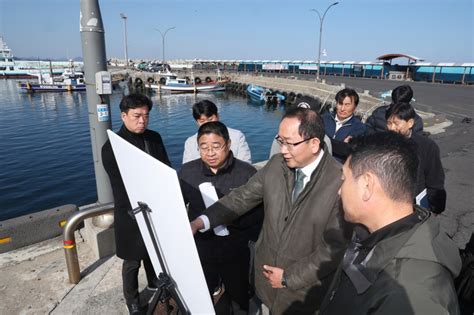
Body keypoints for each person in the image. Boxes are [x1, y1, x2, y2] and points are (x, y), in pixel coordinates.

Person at [191, 107, 351, 314]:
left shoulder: (340, 182)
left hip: (303, 294)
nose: (282, 149)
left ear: (314, 144)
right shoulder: (277, 165)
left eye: (290, 143)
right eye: (280, 140)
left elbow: (334, 249)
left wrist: (288, 278)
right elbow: (243, 196)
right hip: (267, 282)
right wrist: (201, 221)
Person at [320, 132, 461, 314]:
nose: (339, 191)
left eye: (344, 180)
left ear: (367, 185)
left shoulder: (411, 294)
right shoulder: (372, 236)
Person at [178, 121, 263, 313]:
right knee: (201, 294)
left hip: (235, 249)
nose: (210, 152)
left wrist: (233, 220)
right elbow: (177, 205)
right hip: (202, 248)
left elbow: (259, 216)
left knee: (239, 297)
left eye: (216, 146)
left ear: (228, 144)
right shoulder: (186, 172)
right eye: (204, 147)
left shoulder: (246, 173)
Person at [101, 94, 171, 315]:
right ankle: (132, 301)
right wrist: (135, 210)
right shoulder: (111, 146)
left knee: (154, 252)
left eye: (146, 116)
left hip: (156, 207)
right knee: (132, 260)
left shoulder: (155, 138)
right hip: (130, 212)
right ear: (124, 116)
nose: (142, 121)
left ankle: (154, 284)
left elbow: (166, 169)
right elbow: (119, 185)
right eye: (137, 116)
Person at [386, 102, 446, 213]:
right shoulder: (382, 144)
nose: (392, 128)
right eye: (389, 123)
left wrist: (435, 209)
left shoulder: (427, 146)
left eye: (396, 123)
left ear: (410, 123)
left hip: (414, 209)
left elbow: (435, 181)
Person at [183, 100, 252, 164]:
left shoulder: (237, 136)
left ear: (218, 116)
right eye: (202, 121)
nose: (208, 124)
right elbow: (188, 168)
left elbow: (245, 164)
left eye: (210, 119)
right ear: (197, 122)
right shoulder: (190, 142)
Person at [322, 88, 366, 162]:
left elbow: (346, 151)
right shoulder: (324, 119)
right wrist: (340, 144)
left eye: (347, 105)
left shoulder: (359, 128)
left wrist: (323, 137)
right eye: (340, 103)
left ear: (355, 107)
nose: (342, 108)